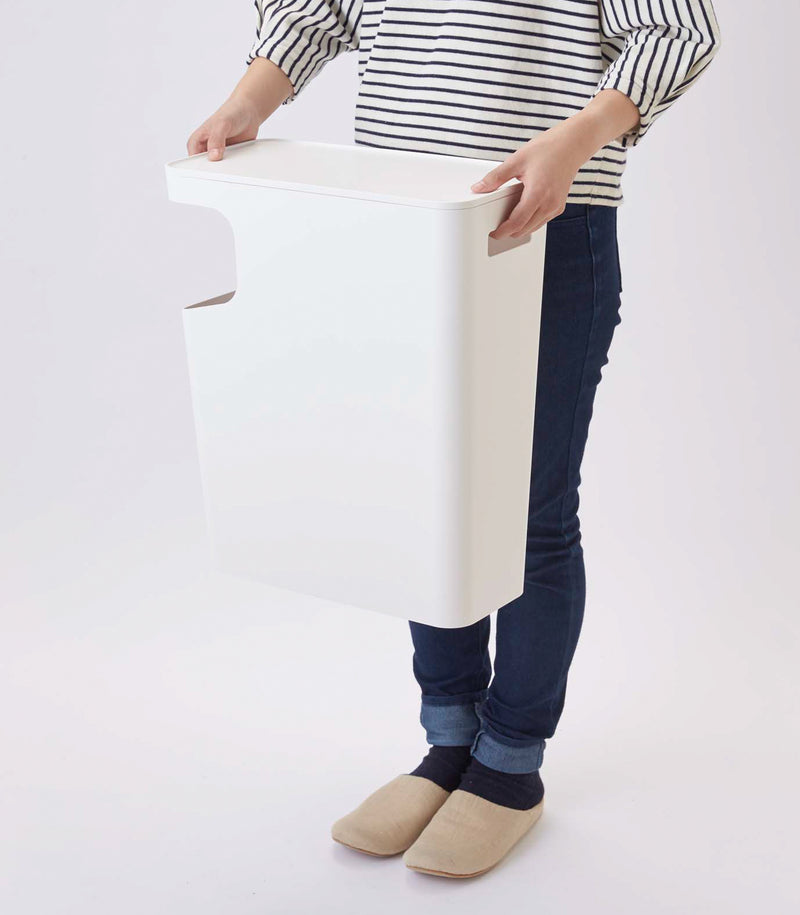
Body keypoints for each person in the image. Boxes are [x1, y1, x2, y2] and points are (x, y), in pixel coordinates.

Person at [188, 0, 721, 879]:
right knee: (426, 494)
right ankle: (448, 746)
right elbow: (318, 11)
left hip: (546, 226)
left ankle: (510, 765)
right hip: (403, 224)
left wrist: (580, 135)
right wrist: (252, 98)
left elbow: (676, 31)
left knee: (529, 510)